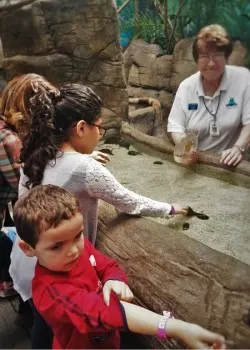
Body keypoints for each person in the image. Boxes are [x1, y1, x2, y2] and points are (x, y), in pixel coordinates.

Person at [13, 184, 226, 349]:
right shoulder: (51, 292)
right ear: (28, 248)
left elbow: (108, 266)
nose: (73, 250)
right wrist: (173, 327)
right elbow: (103, 312)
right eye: (56, 246)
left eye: (77, 235)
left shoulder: (79, 248)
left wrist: (114, 280)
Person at [167, 24, 250, 166]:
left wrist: (238, 148)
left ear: (227, 57)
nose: (211, 63)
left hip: (232, 164)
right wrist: (185, 147)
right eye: (204, 56)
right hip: (198, 162)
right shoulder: (186, 87)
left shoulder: (243, 78)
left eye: (217, 55)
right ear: (196, 60)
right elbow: (175, 127)